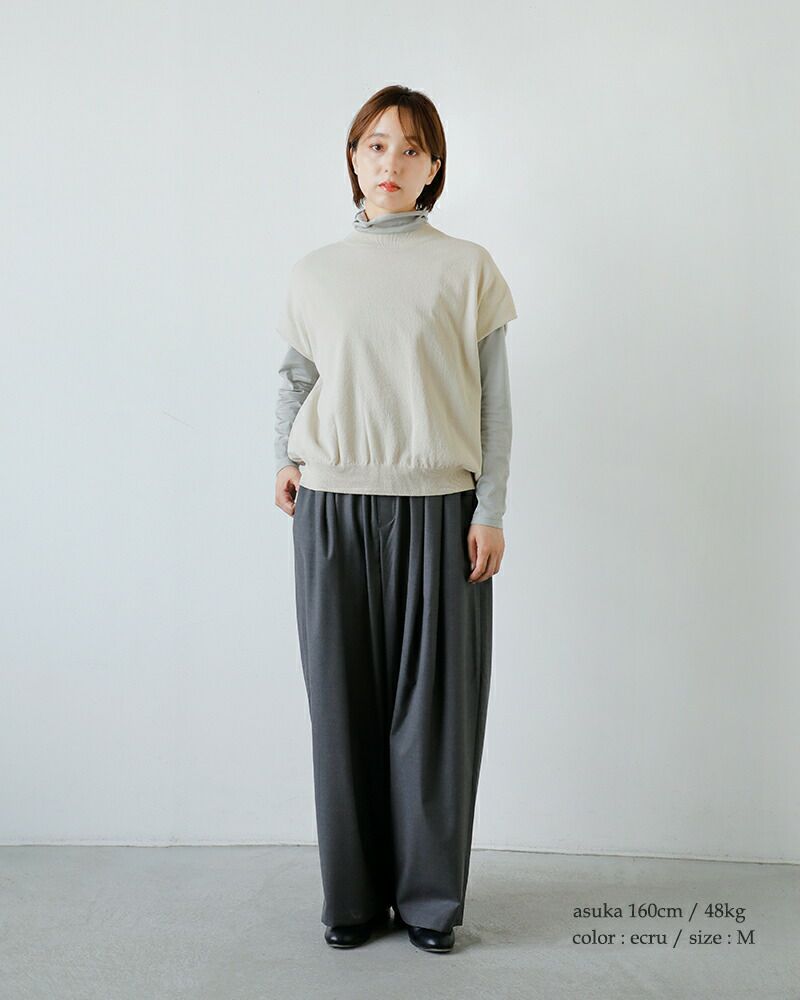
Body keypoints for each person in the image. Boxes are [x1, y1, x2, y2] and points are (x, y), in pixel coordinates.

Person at [273, 84, 517, 954]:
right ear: (353, 157)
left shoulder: (468, 268)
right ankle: (351, 901)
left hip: (441, 512)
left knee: (435, 717)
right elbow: (296, 378)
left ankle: (428, 905)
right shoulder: (315, 272)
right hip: (332, 509)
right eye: (377, 145)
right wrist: (284, 458)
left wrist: (491, 508)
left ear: (434, 167)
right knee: (342, 711)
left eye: (412, 149)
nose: (392, 162)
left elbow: (493, 402)